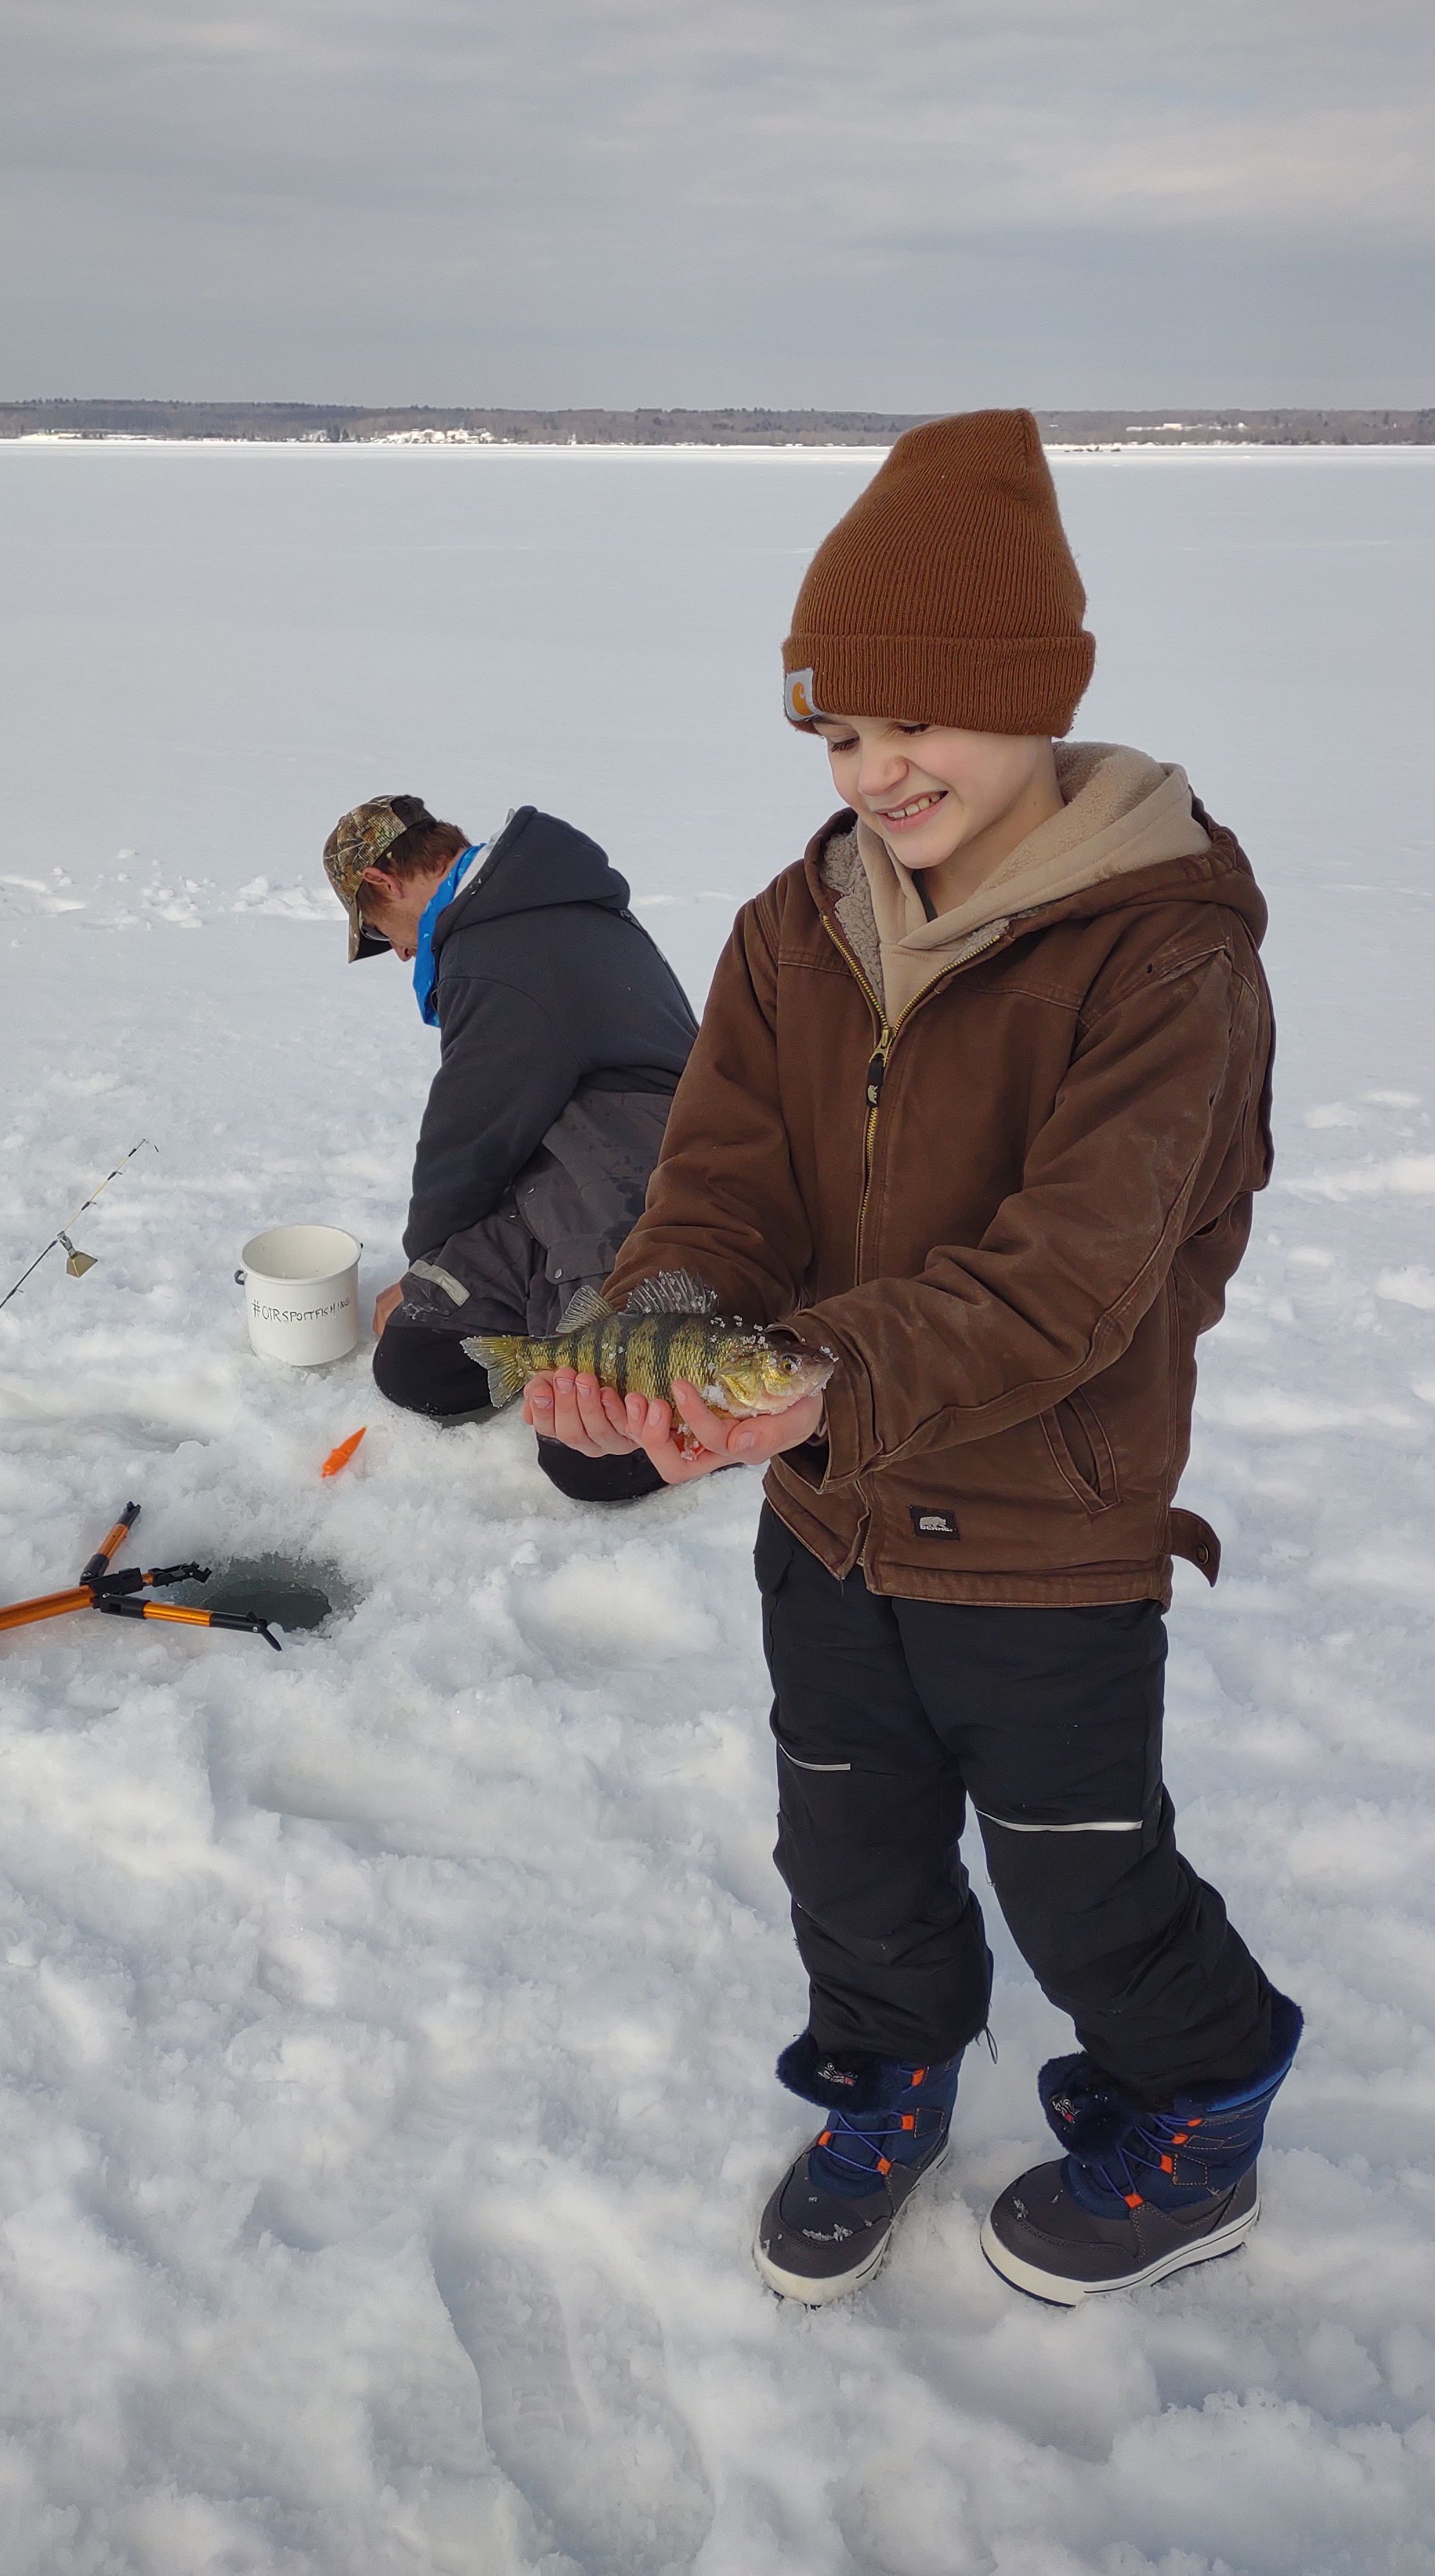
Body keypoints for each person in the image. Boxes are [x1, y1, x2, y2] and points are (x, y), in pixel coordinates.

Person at [530, 410, 1302, 2305]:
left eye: (917, 723)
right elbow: (714, 1184)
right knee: (849, 1853)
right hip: (831, 1519)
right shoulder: (795, 928)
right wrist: (673, 1344)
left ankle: (1201, 2097)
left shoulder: (1165, 954)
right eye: (840, 736)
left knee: (1079, 1873)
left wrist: (825, 1380)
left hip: (1048, 1529)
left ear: (1033, 698)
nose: (877, 771)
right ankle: (885, 2085)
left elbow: (1077, 1280)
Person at [322, 792, 697, 1505]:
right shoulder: (508, 915)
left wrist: (425, 1259)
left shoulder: (499, 945)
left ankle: (728, 1404)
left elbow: (471, 1135)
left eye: (381, 932)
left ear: (383, 883)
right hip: (550, 1172)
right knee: (419, 1360)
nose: (400, 951)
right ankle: (546, 1322)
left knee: (592, 1457)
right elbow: (495, 1126)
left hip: (631, 1176)